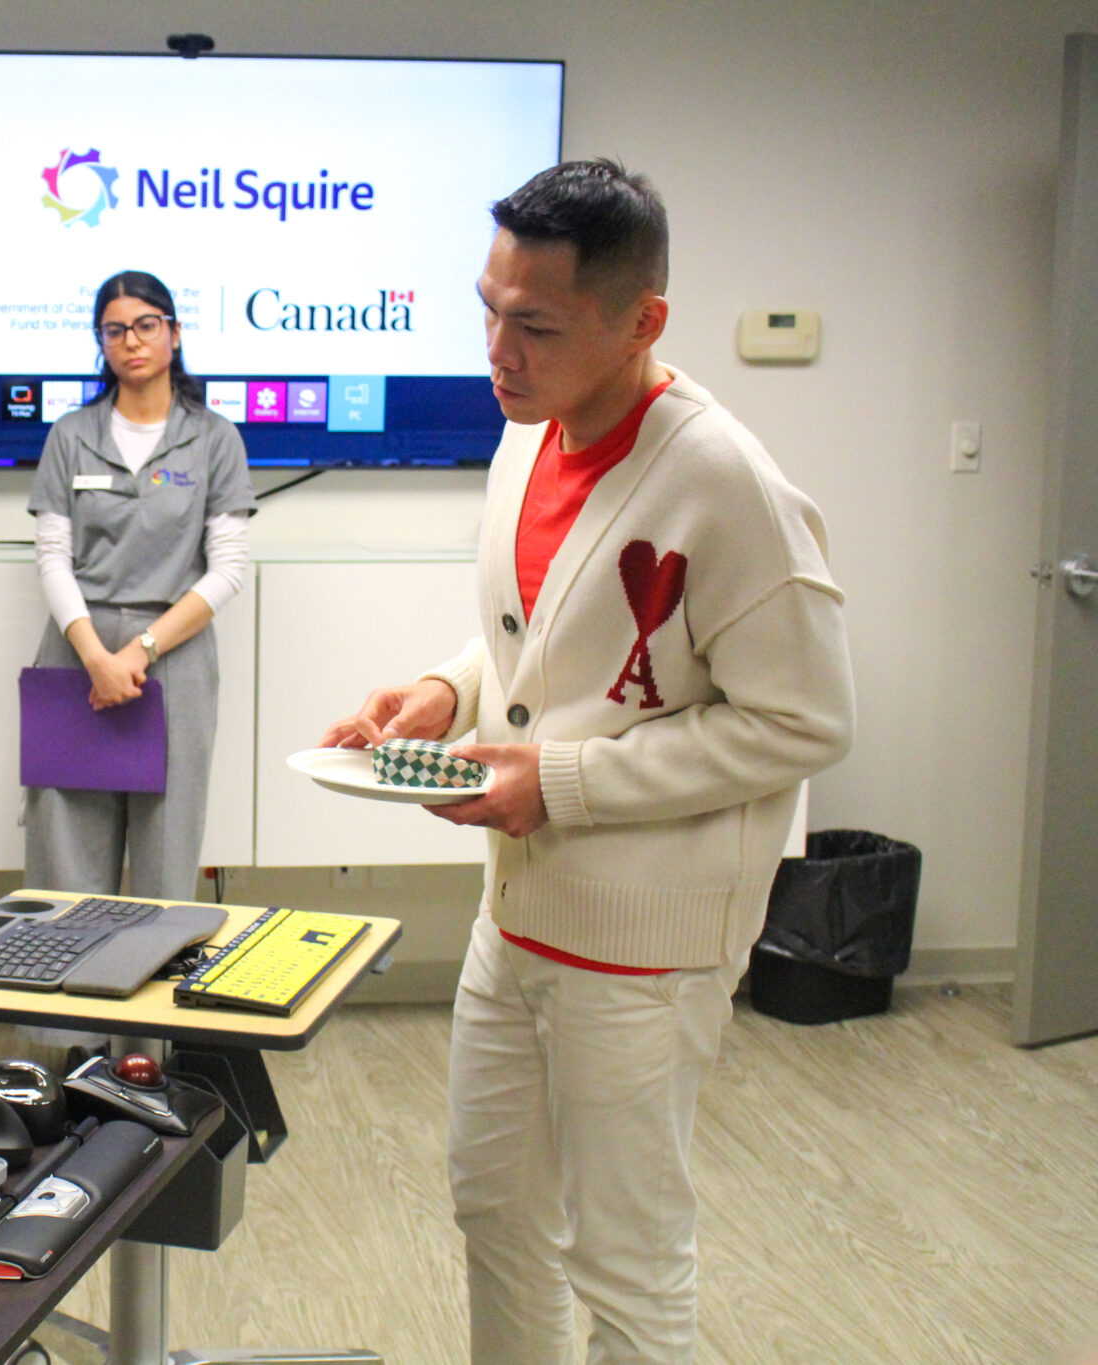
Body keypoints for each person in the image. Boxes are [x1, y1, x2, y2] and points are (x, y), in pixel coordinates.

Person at [319, 160, 855, 1364]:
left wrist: (554, 783)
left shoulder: (724, 483)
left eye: (536, 325)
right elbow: (556, 638)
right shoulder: (533, 435)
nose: (497, 351)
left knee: (625, 1262)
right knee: (494, 1214)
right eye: (486, 310)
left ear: (640, 321)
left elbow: (804, 722)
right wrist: (446, 689)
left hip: (644, 950)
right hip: (518, 918)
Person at [25, 270, 255, 900]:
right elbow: (52, 557)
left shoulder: (214, 438)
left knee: (166, 856)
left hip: (173, 660)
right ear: (101, 342)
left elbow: (228, 569)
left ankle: (155, 965)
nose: (131, 341)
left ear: (174, 334)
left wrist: (138, 652)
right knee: (64, 859)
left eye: (146, 325)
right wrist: (98, 658)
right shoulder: (71, 435)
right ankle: (64, 969)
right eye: (115, 330)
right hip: (76, 658)